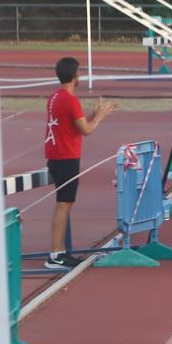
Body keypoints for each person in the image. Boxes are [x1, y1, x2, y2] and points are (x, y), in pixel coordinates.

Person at [43, 57, 117, 270]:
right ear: (75, 77)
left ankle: (59, 252)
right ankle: (55, 255)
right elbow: (87, 130)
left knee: (65, 204)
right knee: (63, 204)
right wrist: (100, 117)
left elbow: (75, 123)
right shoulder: (70, 100)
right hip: (65, 157)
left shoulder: (55, 97)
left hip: (58, 154)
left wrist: (95, 114)